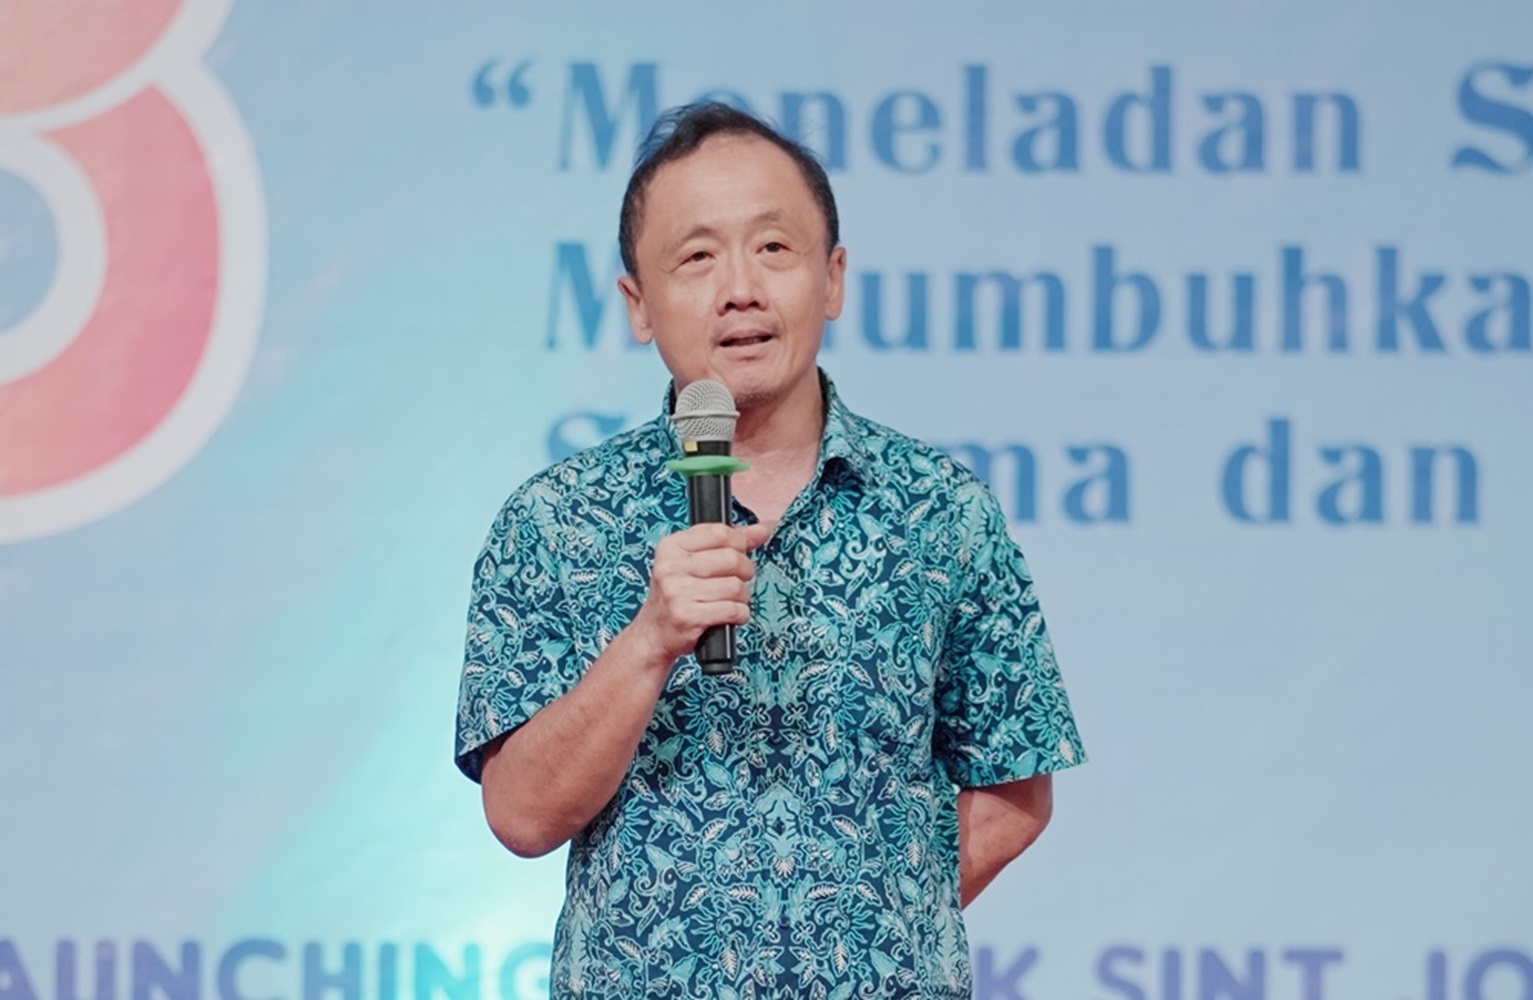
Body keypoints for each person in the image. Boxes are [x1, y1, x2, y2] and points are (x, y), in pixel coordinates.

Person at [455, 102, 1085, 999]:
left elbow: (1014, 785)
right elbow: (520, 814)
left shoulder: (941, 511)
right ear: (638, 304)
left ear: (832, 280)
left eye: (773, 248)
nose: (740, 289)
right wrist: (649, 642)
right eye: (697, 257)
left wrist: (877, 941)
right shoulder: (556, 522)